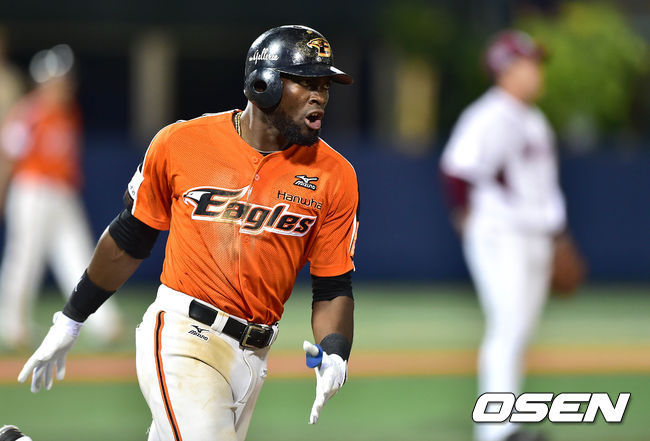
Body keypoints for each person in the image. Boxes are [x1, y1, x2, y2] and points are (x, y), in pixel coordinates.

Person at [18, 25, 359, 441]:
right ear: (263, 82)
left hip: (254, 357)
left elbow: (333, 286)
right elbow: (129, 238)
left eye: (324, 85)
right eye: (306, 81)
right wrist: (72, 318)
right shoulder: (182, 142)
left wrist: (335, 353)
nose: (319, 95)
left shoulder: (335, 176)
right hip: (184, 336)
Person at [440, 30, 566, 441]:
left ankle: (507, 423)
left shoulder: (534, 119)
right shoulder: (488, 115)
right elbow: (456, 169)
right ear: (506, 69)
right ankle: (496, 430)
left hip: (535, 234)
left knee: (520, 330)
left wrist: (558, 236)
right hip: (501, 232)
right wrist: (467, 219)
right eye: (529, 63)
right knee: (508, 326)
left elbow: (543, 189)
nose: (537, 71)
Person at [0, 44, 123, 350]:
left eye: (66, 78)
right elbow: (8, 157)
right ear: (45, 80)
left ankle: (103, 322)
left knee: (79, 255)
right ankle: (12, 325)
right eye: (59, 78)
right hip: (32, 190)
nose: (66, 83)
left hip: (62, 192)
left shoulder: (69, 114)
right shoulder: (30, 112)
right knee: (24, 258)